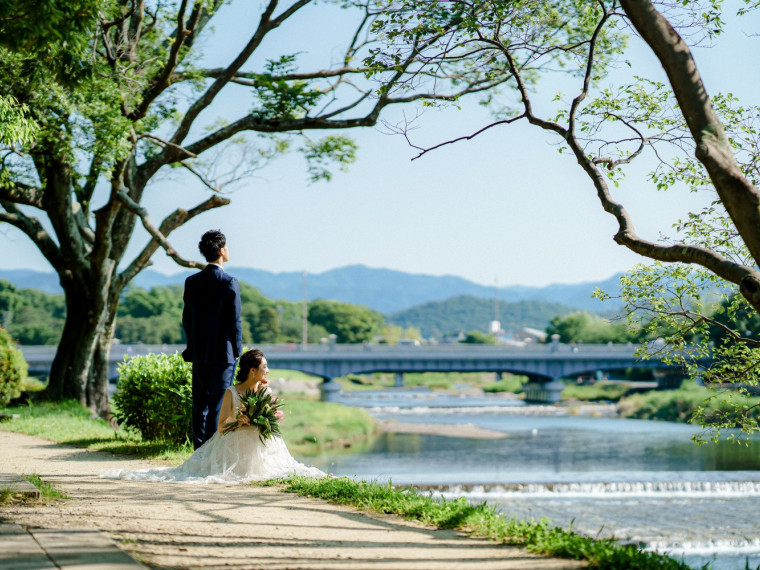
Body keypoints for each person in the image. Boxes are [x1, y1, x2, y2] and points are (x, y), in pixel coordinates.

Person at [101, 349, 326, 483]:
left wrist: (270, 417)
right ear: (252, 371)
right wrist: (240, 421)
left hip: (261, 443)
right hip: (234, 442)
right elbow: (220, 427)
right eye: (264, 367)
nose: (268, 371)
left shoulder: (266, 391)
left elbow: (271, 415)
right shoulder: (232, 392)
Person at [182, 229, 242, 449]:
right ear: (220, 250)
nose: (228, 250)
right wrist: (238, 351)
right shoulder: (229, 282)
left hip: (199, 352)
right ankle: (211, 451)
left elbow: (187, 320)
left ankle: (198, 450)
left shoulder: (192, 282)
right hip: (223, 354)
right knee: (218, 403)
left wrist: (192, 346)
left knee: (200, 404)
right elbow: (234, 322)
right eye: (226, 246)